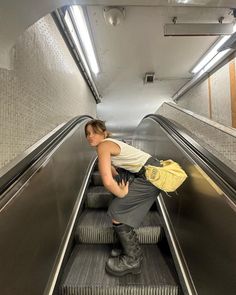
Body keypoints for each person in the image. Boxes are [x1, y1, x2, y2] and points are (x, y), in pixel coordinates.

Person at [85, 119, 161, 277]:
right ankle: (123, 245)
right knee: (118, 196)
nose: (90, 136)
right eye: (87, 134)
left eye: (94, 132)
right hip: (146, 172)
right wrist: (119, 187)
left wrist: (122, 193)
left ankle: (133, 260)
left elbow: (106, 180)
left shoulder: (104, 145)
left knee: (117, 210)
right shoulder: (108, 145)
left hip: (150, 175)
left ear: (104, 133)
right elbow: (114, 174)